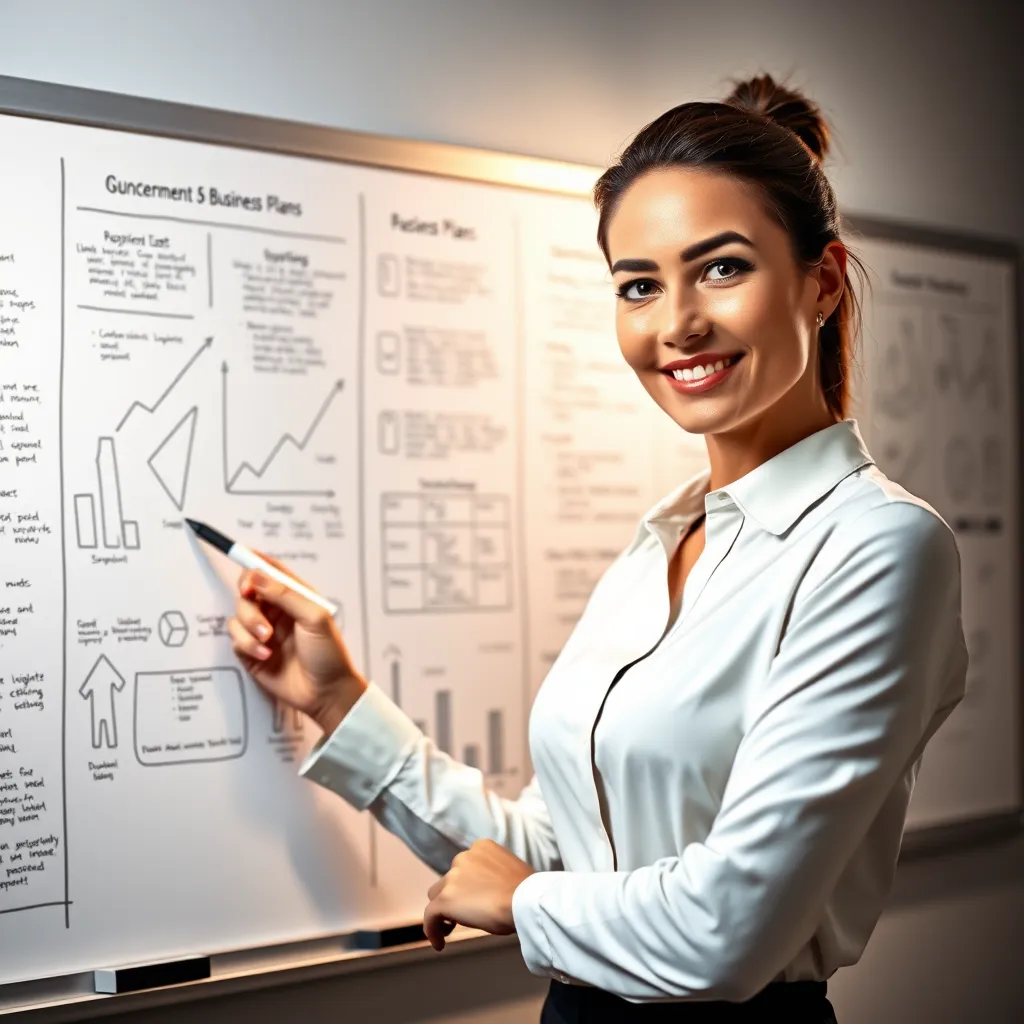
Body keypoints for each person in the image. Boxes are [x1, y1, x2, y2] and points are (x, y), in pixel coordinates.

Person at [228, 73, 968, 1022]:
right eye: (639, 286)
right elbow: (558, 849)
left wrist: (524, 903)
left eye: (724, 268)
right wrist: (339, 700)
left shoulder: (880, 550)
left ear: (821, 281)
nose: (678, 324)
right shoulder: (663, 541)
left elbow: (726, 933)